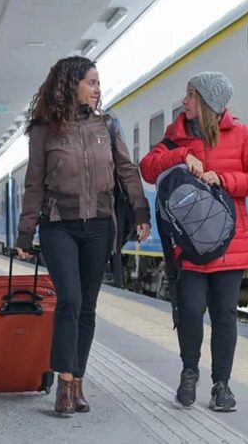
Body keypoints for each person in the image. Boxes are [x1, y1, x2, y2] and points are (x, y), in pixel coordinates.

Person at [15, 56, 151, 415]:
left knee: (88, 307)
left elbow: (126, 169)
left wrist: (140, 211)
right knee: (70, 300)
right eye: (91, 82)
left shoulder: (107, 125)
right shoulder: (44, 131)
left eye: (98, 83)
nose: (97, 89)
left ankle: (77, 381)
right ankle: (62, 383)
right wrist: (25, 234)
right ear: (70, 84)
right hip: (59, 224)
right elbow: (33, 186)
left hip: (100, 226)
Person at [139, 72, 248, 412]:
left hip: (230, 245)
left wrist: (223, 179)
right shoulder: (175, 136)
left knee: (225, 316)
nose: (184, 101)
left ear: (208, 102)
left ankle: (221, 386)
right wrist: (180, 157)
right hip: (191, 247)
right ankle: (189, 373)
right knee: (191, 311)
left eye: (191, 95)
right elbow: (148, 168)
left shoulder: (241, 134)